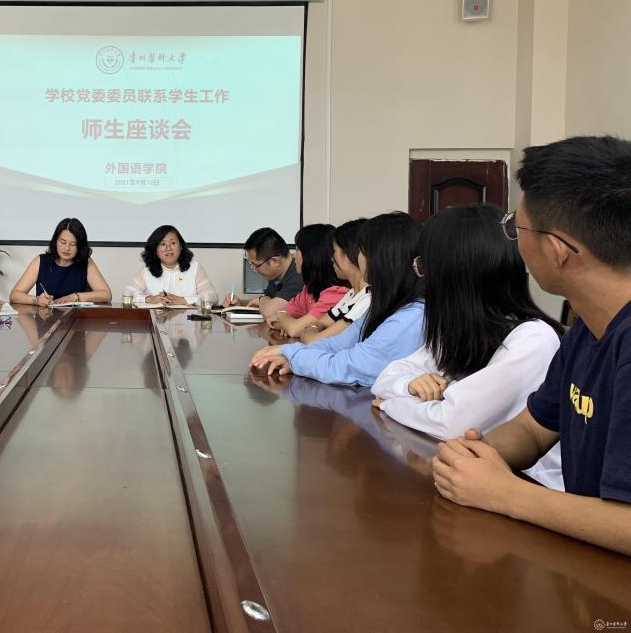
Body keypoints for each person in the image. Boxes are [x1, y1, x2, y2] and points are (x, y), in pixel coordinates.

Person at [433, 136, 631, 556]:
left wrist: (506, 494)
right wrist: (479, 455)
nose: (515, 241)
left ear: (557, 250)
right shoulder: (588, 326)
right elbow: (533, 428)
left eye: (516, 228)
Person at [371, 205, 564, 489]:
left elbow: (451, 424)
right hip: (479, 474)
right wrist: (409, 386)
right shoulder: (461, 331)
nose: (424, 280)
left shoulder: (533, 339)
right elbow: (385, 377)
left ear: (452, 276)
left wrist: (392, 404)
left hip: (533, 485)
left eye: (424, 266)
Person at [250, 212, 425, 387]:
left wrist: (295, 356)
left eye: (362, 250)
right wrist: (289, 352)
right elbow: (338, 344)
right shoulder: (388, 305)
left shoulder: (407, 318)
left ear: (383, 258)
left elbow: (349, 366)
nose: (358, 256)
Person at [267, 224, 348, 337]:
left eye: (297, 250)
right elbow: (274, 320)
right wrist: (286, 320)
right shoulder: (309, 290)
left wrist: (284, 319)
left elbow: (293, 330)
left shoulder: (336, 293)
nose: (294, 256)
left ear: (311, 254)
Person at [298, 219, 370, 344]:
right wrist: (313, 328)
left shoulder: (368, 297)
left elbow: (312, 340)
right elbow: (317, 325)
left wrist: (312, 329)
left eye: (334, 252)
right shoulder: (351, 294)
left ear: (348, 253)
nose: (331, 258)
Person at [10, 218, 112, 306]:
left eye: (73, 244)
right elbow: (14, 295)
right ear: (55, 241)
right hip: (45, 320)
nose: (67, 248)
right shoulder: (41, 261)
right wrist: (36, 300)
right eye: (63, 242)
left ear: (80, 246)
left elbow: (106, 295)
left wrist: (76, 296)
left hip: (75, 320)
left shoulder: (86, 262)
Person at [127, 225, 218, 306]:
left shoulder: (194, 268)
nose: (168, 248)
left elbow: (213, 297)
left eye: (173, 243)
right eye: (163, 244)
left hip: (189, 319)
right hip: (157, 318)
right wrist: (150, 299)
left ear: (181, 246)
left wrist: (183, 300)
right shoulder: (147, 271)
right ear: (155, 250)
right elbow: (127, 294)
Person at [224, 227, 304, 318]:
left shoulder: (299, 274)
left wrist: (262, 298)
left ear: (275, 261)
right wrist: (241, 304)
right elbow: (266, 304)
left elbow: (270, 312)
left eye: (256, 265)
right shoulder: (277, 274)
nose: (254, 269)